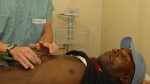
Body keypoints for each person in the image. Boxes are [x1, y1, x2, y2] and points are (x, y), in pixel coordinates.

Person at [0, 36, 147, 84]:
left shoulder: (79, 73)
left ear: (125, 78)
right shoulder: (91, 67)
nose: (116, 50)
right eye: (120, 49)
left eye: (124, 57)